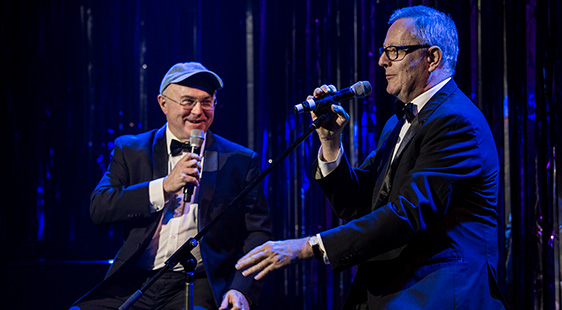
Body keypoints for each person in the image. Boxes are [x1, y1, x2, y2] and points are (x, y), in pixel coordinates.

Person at [236, 5, 508, 310]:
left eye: (394, 51)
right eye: (383, 50)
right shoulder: (398, 122)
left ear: (431, 58)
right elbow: (356, 202)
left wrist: (308, 246)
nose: (381, 61)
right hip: (394, 290)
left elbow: (410, 212)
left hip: (438, 293)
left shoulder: (456, 121)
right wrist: (330, 142)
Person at [71, 62, 273, 310]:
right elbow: (100, 208)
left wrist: (241, 289)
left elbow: (258, 233)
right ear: (163, 103)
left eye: (207, 101)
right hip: (134, 282)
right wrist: (164, 187)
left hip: (196, 282)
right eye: (188, 101)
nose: (198, 111)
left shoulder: (240, 160)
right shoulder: (132, 150)